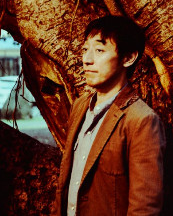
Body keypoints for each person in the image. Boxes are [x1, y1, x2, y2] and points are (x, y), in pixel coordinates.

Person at [53, 16, 166, 216]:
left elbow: (144, 206)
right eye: (85, 49)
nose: (87, 59)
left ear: (128, 58)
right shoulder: (80, 106)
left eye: (99, 50)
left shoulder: (142, 120)